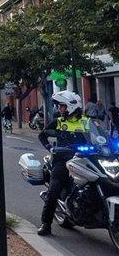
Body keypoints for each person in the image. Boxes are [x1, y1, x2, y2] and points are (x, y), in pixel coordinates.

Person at [37, 90, 91, 236]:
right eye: (60, 106)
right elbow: (42, 135)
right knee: (53, 190)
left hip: (85, 160)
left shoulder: (86, 121)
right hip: (62, 161)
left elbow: (99, 136)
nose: (59, 109)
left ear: (70, 106)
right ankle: (46, 224)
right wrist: (50, 148)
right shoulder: (59, 122)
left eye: (62, 106)